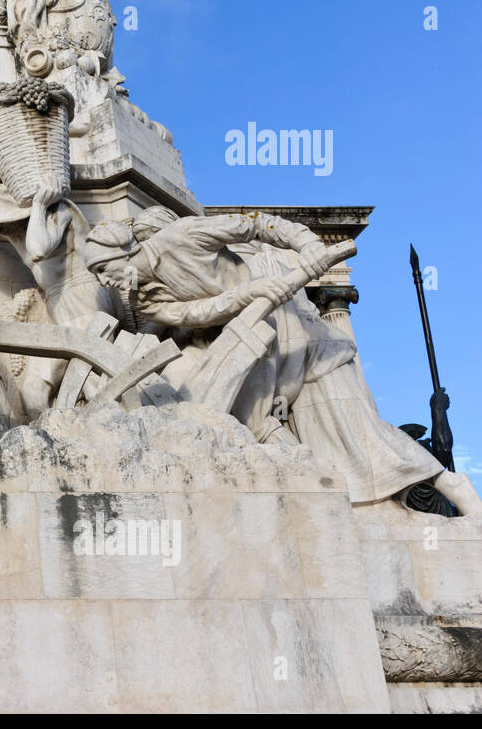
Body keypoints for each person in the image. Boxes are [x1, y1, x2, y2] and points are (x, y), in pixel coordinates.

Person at [83, 211, 482, 515]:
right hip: (247, 339)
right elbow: (198, 314)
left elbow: (255, 225)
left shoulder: (183, 236)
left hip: (289, 329)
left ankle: (452, 488)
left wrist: (306, 242)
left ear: (124, 251)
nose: (105, 282)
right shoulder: (146, 299)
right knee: (261, 427)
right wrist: (249, 293)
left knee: (357, 430)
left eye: (104, 269)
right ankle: (309, 498)